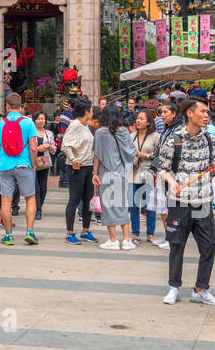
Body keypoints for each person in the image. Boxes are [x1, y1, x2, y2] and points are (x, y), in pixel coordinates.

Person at [155, 98, 215, 306]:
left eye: (208, 112)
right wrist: (172, 182)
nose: (207, 115)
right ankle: (173, 287)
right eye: (203, 111)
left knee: (209, 245)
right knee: (177, 245)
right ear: (190, 114)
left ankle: (201, 289)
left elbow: (210, 170)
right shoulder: (174, 140)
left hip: (203, 201)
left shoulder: (211, 140)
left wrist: (214, 172)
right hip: (178, 202)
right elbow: (163, 169)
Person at [0, 92, 39, 246]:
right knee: (30, 198)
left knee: (6, 200)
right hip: (24, 165)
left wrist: (0, 162)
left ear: (7, 105)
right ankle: (30, 232)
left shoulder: (0, 124)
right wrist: (34, 164)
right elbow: (33, 147)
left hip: (5, 166)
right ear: (21, 107)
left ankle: (9, 235)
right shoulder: (28, 123)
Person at [92, 104, 136, 249]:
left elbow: (97, 155)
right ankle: (127, 240)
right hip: (122, 173)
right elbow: (131, 152)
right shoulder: (124, 131)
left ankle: (113, 240)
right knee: (122, 206)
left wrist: (94, 173)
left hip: (106, 174)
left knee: (109, 206)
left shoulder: (100, 133)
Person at [62, 98, 98, 244]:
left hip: (88, 167)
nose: (93, 112)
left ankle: (85, 230)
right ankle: (70, 232)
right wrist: (73, 160)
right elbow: (65, 145)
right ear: (86, 111)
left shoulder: (86, 126)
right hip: (76, 168)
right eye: (91, 109)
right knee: (74, 200)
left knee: (88, 200)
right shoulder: (75, 125)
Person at [128, 109, 162, 245]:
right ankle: (135, 232)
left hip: (148, 174)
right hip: (133, 173)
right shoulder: (132, 136)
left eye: (141, 119)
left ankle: (150, 233)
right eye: (137, 118)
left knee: (149, 205)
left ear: (148, 122)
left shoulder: (155, 136)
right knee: (133, 205)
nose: (138, 121)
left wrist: (145, 155)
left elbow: (159, 156)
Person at [32, 112, 54, 220]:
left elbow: (54, 149)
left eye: (43, 118)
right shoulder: (30, 132)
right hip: (33, 162)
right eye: (38, 119)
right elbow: (26, 147)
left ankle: (39, 206)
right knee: (36, 187)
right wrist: (37, 148)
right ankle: (37, 210)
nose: (41, 121)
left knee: (43, 187)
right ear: (34, 120)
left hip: (45, 162)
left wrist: (49, 146)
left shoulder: (48, 133)